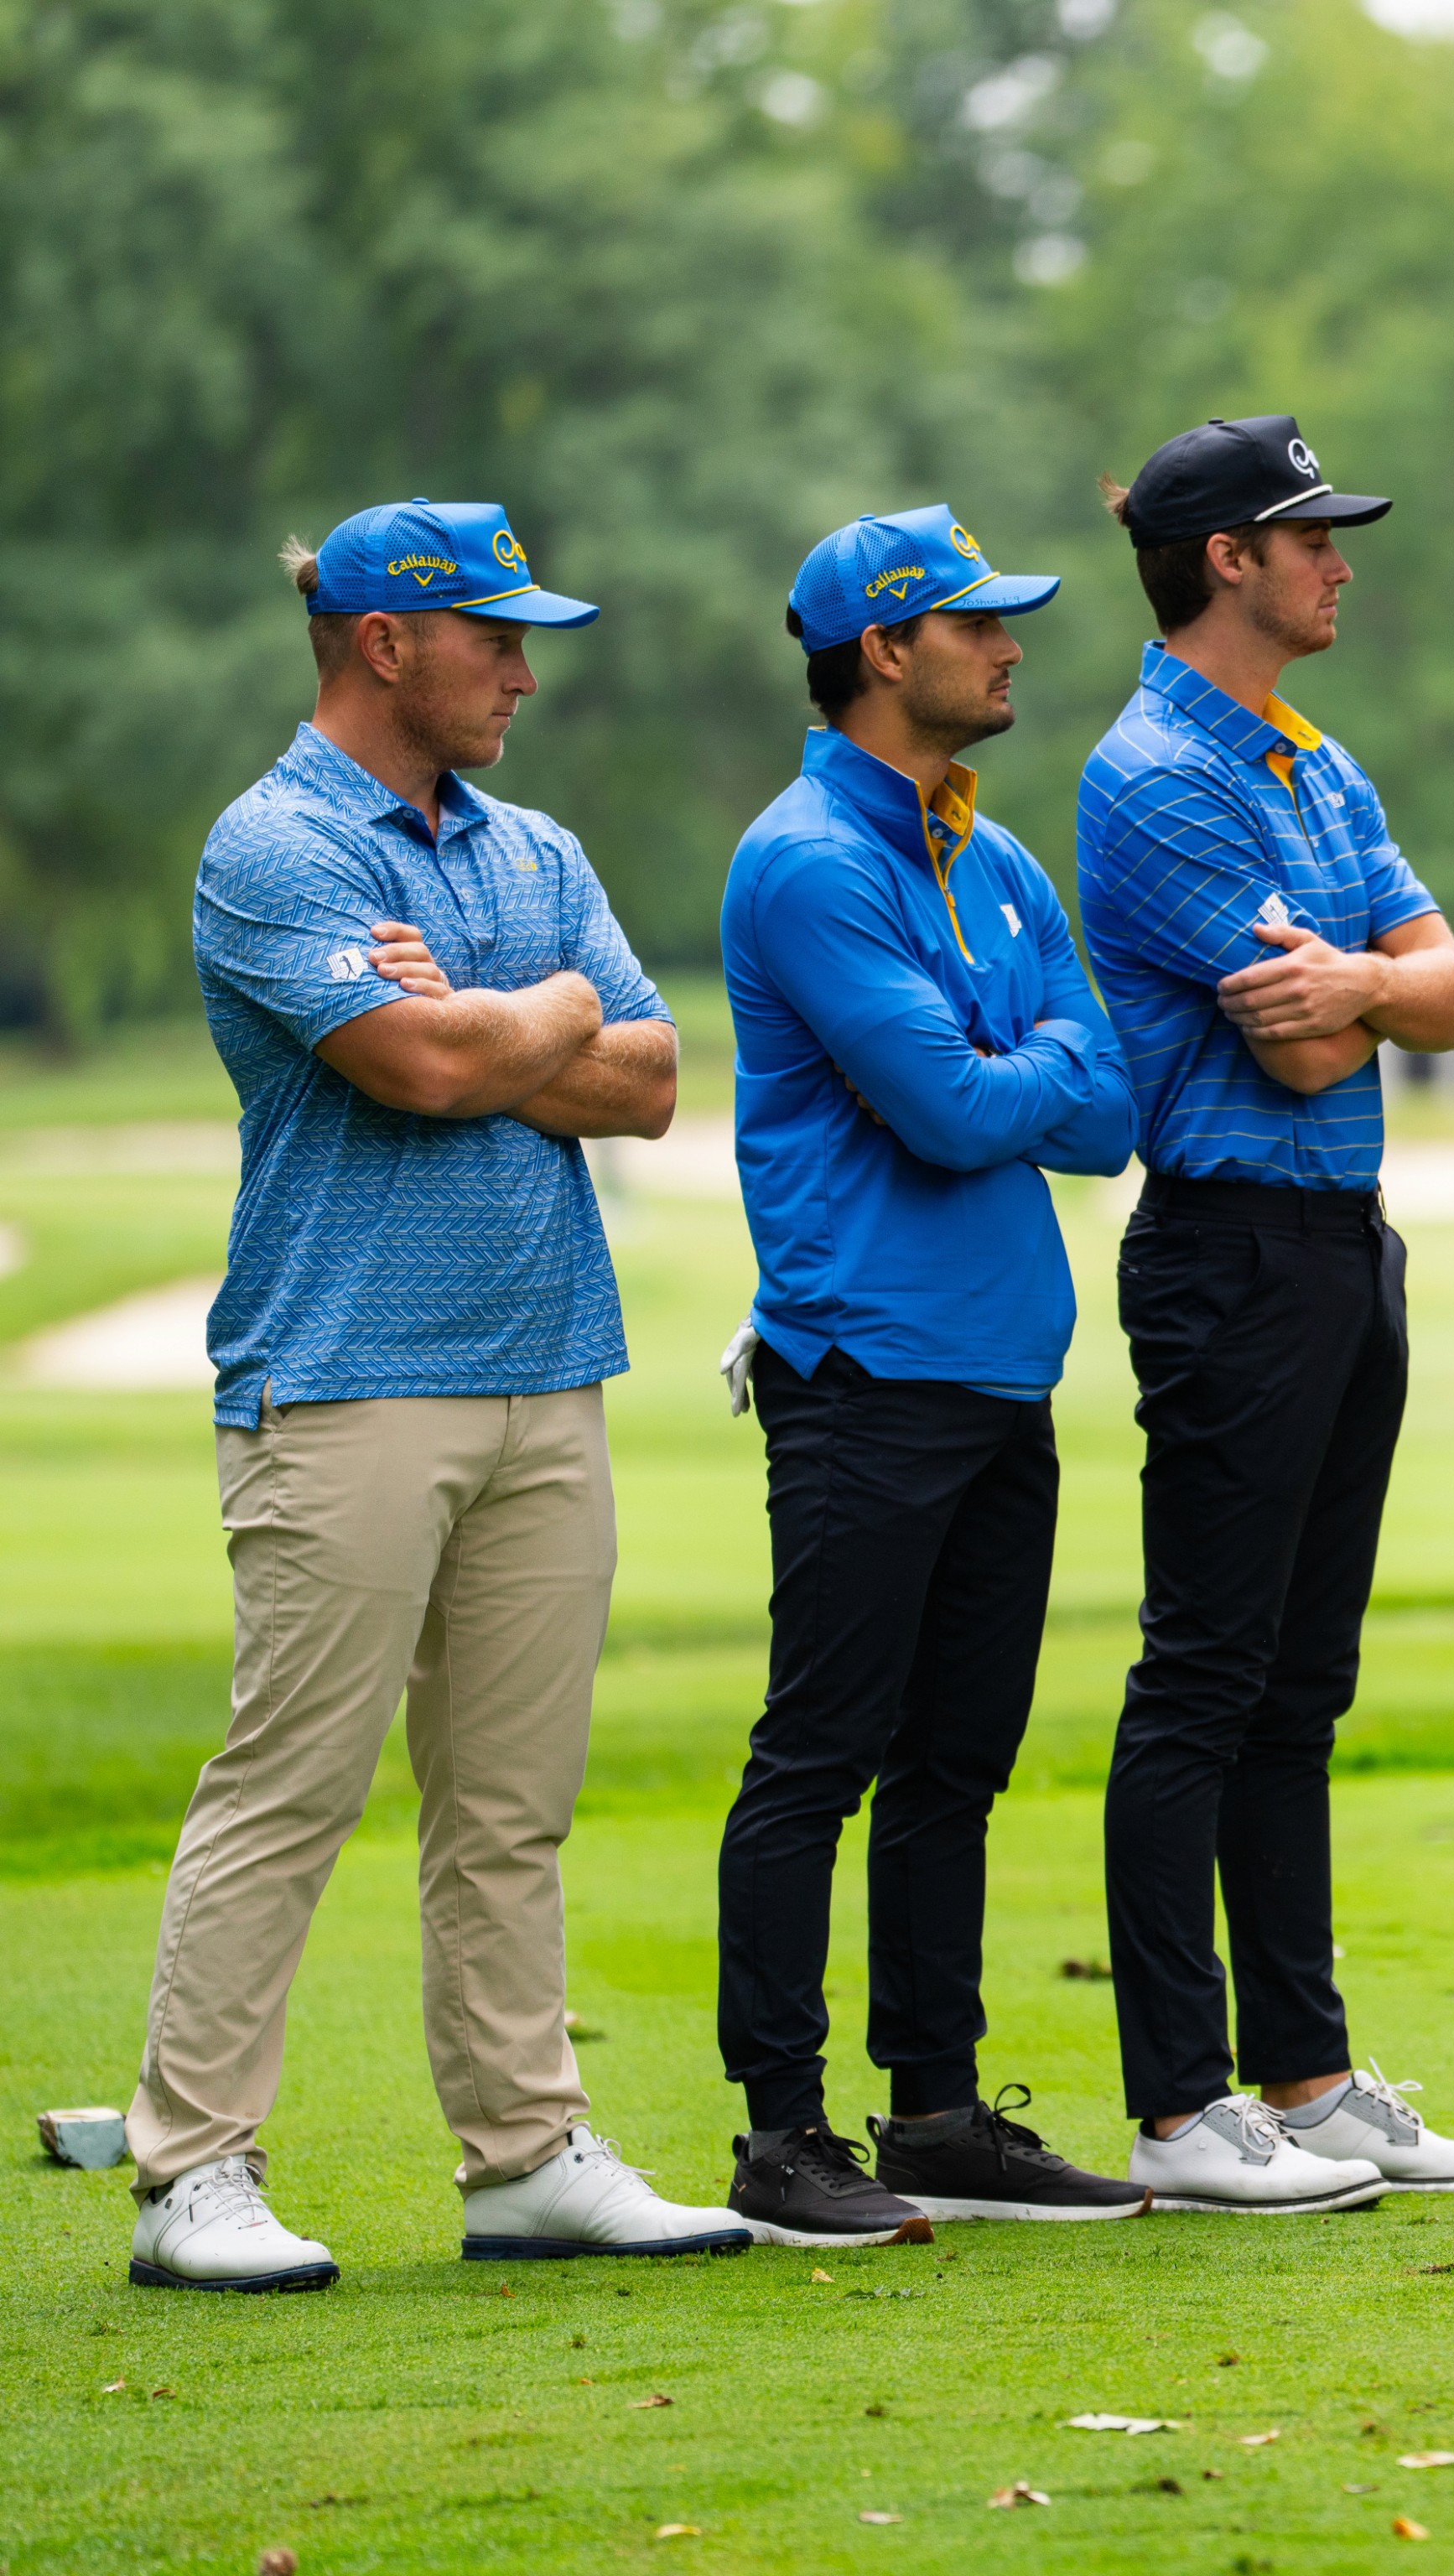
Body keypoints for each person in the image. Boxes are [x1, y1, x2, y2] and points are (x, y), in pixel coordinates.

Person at [127, 500, 746, 2291]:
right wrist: (513, 1029)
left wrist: (504, 1016)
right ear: (385, 640)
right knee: (290, 1786)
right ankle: (192, 2176)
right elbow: (408, 1067)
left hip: (547, 1369)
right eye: (493, 638)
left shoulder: (531, 850)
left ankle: (524, 2152)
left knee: (509, 1803)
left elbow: (644, 1081)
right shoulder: (272, 845)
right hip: (342, 1385)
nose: (522, 674)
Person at [1076, 414, 1454, 2212]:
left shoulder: (1309, 759)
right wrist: (1371, 983)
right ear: (1224, 564)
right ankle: (1182, 2106)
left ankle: (1309, 2075)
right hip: (1226, 1253)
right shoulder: (1154, 771)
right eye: (1308, 536)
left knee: (1296, 1686)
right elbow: (1324, 1026)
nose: (1340, 560)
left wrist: (1370, 983)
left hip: (1342, 1241)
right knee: (1201, 1671)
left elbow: (1450, 991)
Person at [713, 506, 1148, 2246]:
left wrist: (1019, 1059)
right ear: (884, 651)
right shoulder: (811, 859)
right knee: (819, 1751)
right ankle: (779, 2132)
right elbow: (963, 1110)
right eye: (975, 621)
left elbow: (1107, 1116)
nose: (1010, 643)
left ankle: (938, 2113)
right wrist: (1029, 1056)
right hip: (862, 1373)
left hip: (992, 1372)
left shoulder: (995, 852)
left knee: (957, 1759)